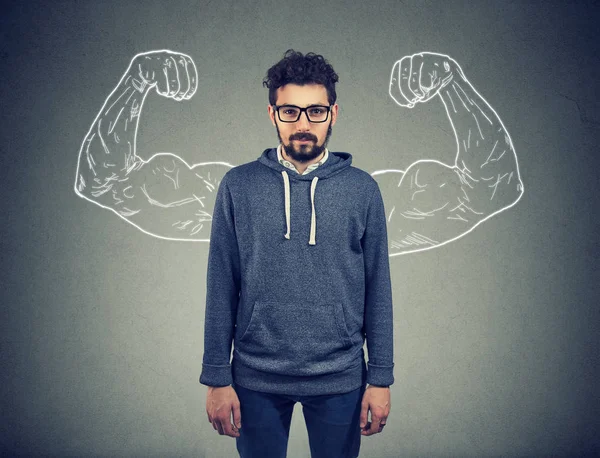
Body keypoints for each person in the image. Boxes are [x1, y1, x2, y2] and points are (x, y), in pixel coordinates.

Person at [199, 49, 394, 458]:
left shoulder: (362, 190)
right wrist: (217, 377)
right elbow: (221, 283)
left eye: (315, 111)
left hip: (340, 377)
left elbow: (379, 289)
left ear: (333, 114)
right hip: (256, 377)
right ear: (273, 114)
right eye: (290, 111)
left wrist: (380, 378)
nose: (303, 124)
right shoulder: (238, 186)